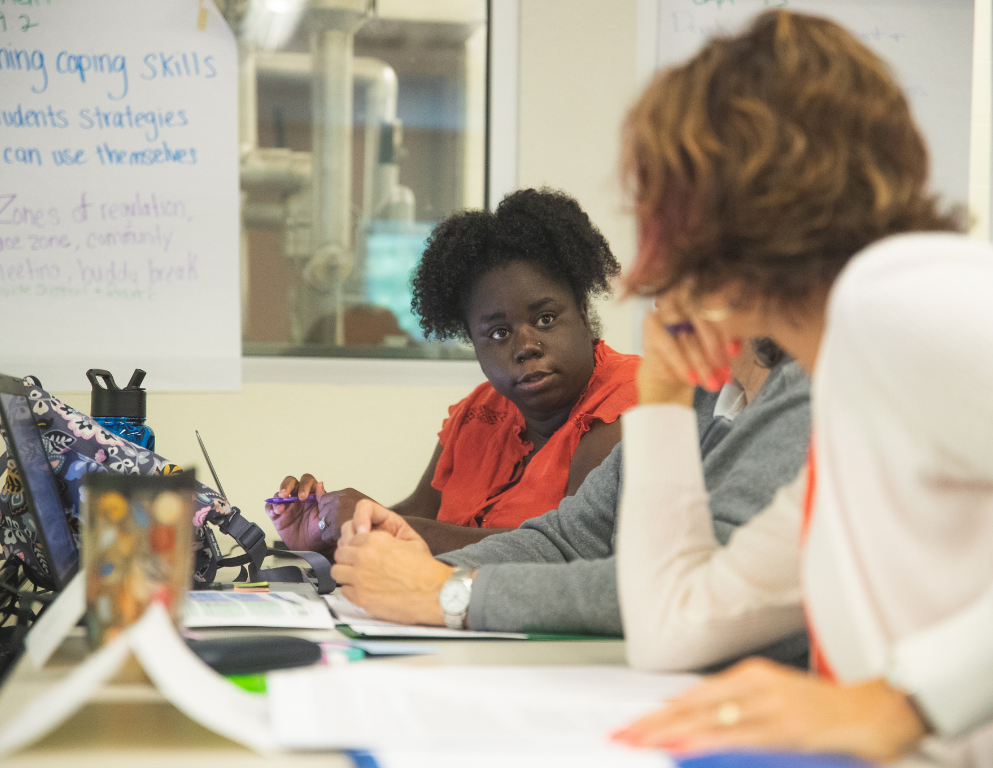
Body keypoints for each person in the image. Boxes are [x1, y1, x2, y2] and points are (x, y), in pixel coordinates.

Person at [604, 10, 990, 765]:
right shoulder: (851, 389)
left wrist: (899, 702)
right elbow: (671, 627)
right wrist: (658, 394)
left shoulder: (899, 296)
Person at [329, 340, 810, 653]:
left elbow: (689, 589)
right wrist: (432, 570)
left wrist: (446, 594)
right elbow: (569, 537)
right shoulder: (705, 395)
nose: (650, 284)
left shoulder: (807, 394)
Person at [268, 188, 638, 558]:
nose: (525, 345)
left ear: (585, 319)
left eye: (545, 319)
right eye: (498, 333)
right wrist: (325, 537)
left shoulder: (628, 401)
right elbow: (417, 514)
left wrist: (379, 524)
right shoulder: (477, 413)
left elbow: (570, 550)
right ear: (474, 345)